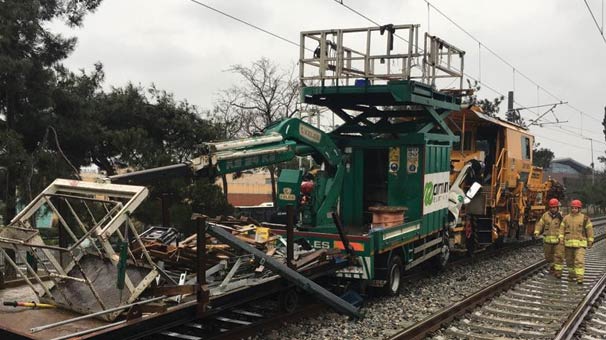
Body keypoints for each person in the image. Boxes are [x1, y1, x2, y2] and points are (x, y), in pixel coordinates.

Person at [559, 199, 594, 284]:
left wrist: (590, 240)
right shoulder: (566, 218)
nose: (574, 209)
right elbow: (561, 229)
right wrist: (561, 238)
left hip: (580, 245)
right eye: (573, 208)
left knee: (579, 261)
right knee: (569, 262)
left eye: (576, 208)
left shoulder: (584, 218)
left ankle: (580, 278)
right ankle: (571, 276)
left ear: (579, 209)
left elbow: (589, 230)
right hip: (568, 244)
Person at [534, 198, 564, 278]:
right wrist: (537, 231)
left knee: (558, 256)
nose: (553, 209)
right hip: (547, 241)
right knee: (548, 257)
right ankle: (552, 268)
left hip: (558, 241)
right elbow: (540, 224)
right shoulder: (545, 215)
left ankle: (558, 272)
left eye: (554, 207)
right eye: (551, 207)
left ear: (557, 207)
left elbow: (565, 227)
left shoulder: (561, 216)